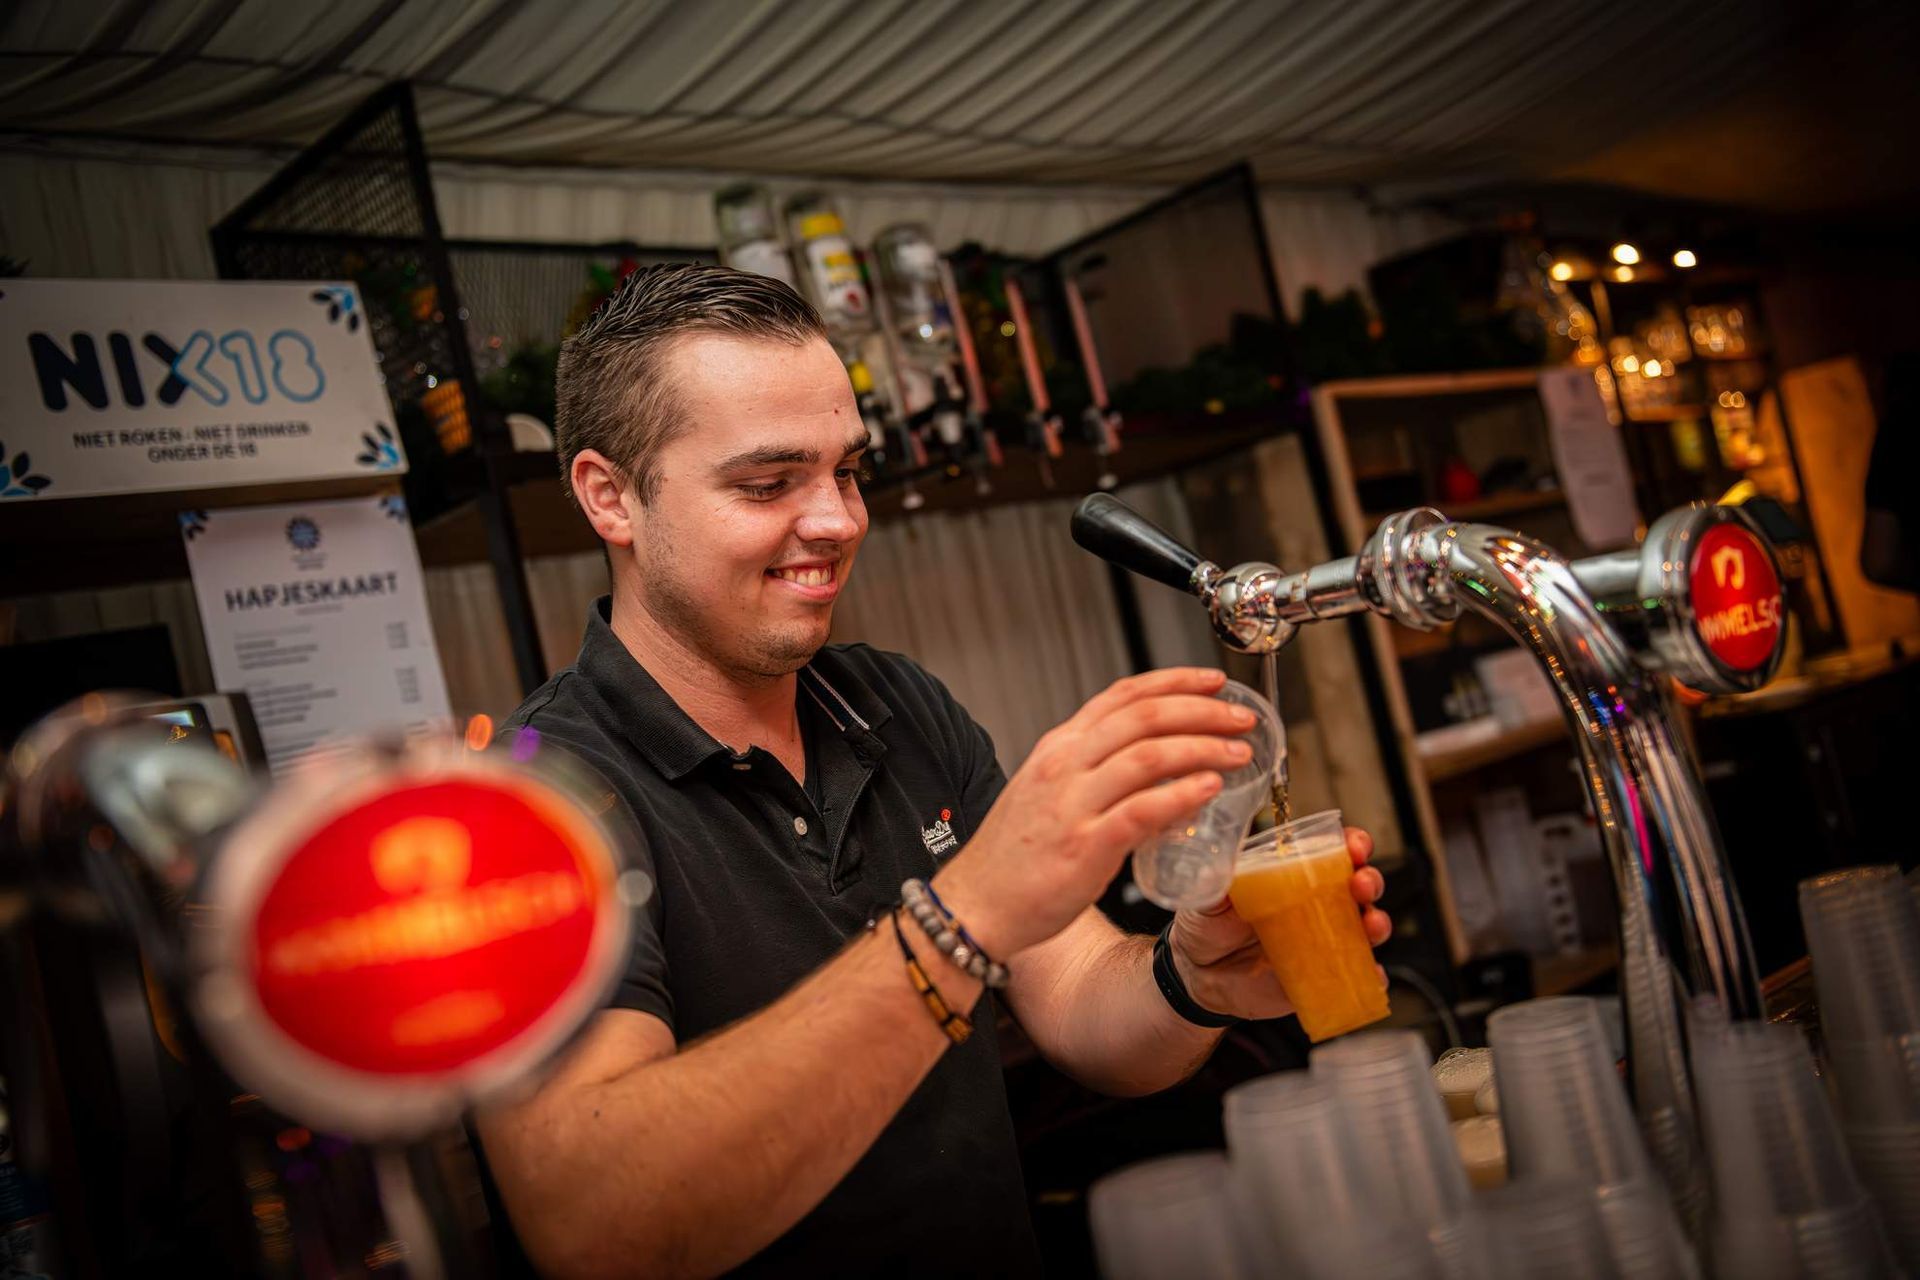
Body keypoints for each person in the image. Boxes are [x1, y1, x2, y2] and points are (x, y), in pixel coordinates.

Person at [476, 265, 1390, 1279]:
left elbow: (1084, 998)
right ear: (611, 497)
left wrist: (1194, 977)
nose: (837, 521)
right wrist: (960, 921)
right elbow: (596, 1219)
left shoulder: (894, 704)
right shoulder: (528, 805)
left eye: (849, 471)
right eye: (768, 483)